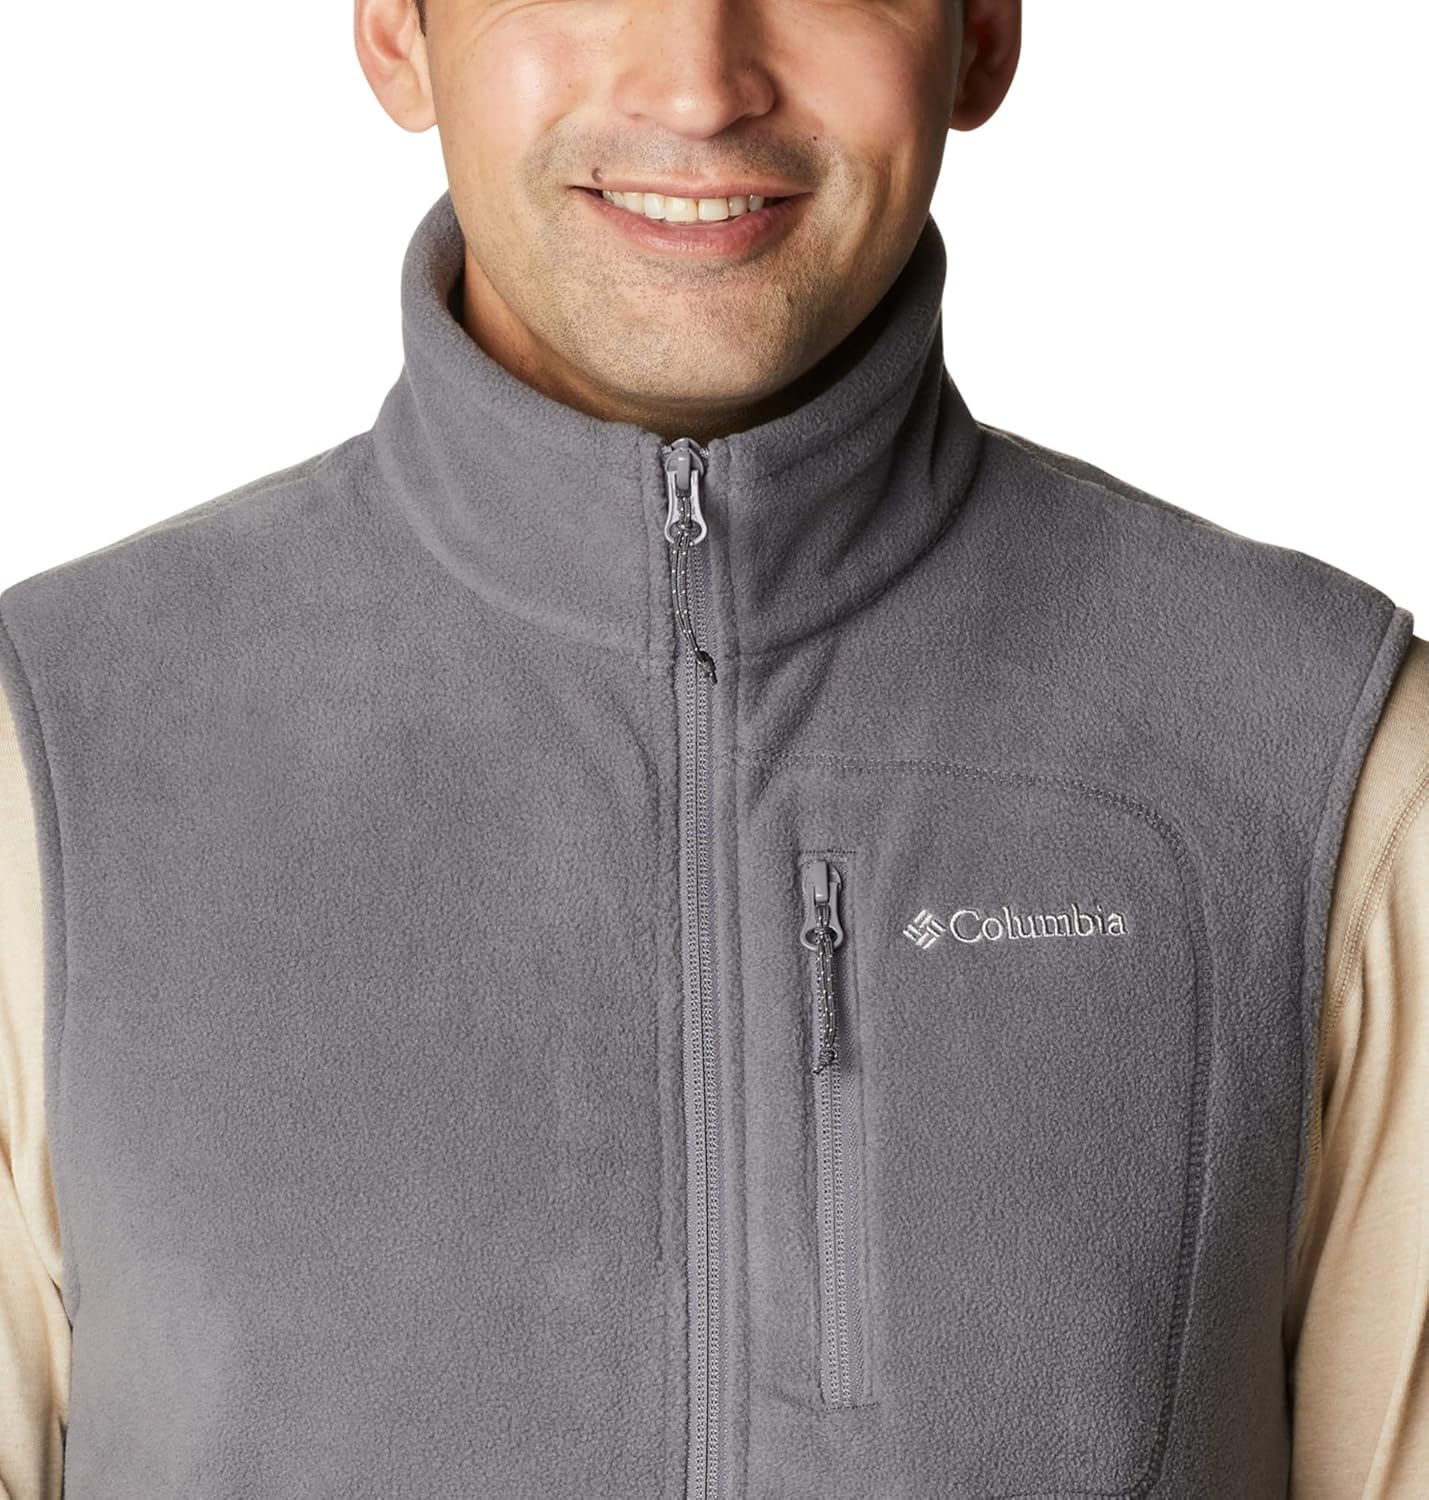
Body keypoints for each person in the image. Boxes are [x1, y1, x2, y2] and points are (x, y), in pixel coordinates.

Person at [1, 0, 1424, 1494]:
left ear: (984, 34)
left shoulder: (1327, 767)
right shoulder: (53, 765)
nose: (696, 85)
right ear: (396, 33)